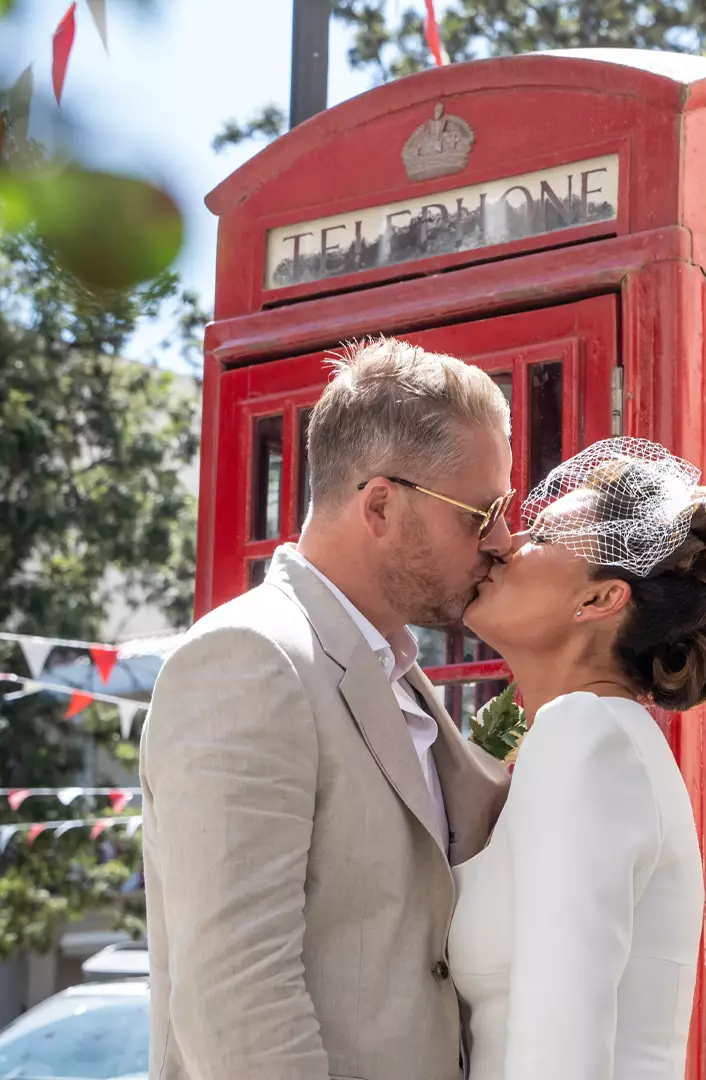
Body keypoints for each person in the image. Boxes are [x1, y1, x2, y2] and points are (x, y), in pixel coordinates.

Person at [140, 338, 515, 1080]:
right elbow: (237, 994)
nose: (502, 542)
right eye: (480, 513)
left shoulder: (402, 675)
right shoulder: (249, 659)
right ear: (379, 504)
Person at [449, 437, 706, 1080]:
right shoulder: (595, 737)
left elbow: (559, 1054)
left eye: (538, 534)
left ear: (599, 601)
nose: (503, 543)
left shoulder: (583, 737)